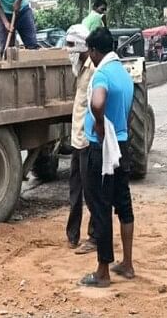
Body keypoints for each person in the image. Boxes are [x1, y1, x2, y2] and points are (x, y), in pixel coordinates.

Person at [79, 27, 135, 288]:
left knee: (100, 207)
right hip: (122, 147)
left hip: (102, 150)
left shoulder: (101, 74)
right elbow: (129, 112)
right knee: (123, 205)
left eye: (89, 51)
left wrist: (99, 125)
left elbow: (97, 103)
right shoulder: (123, 74)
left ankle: (102, 272)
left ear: (93, 50)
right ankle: (127, 264)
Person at [65, 24, 97, 254]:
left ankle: (95, 236)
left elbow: (96, 107)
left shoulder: (94, 70)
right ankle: (73, 234)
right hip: (77, 140)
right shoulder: (80, 68)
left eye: (70, 45)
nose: (67, 50)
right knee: (75, 190)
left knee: (91, 191)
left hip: (87, 141)